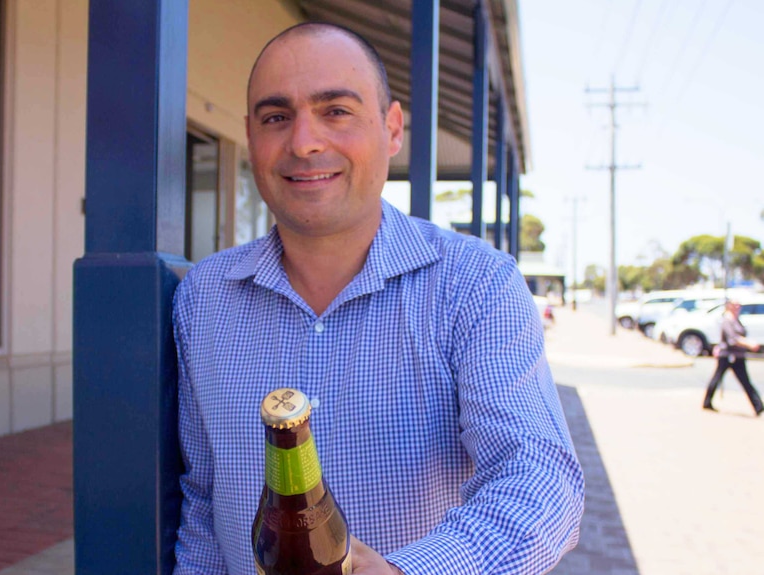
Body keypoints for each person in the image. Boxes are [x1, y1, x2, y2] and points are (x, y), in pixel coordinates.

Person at [172, 22, 584, 575]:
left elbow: (538, 474)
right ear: (251, 135)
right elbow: (203, 498)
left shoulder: (475, 285)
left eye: (336, 110)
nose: (303, 142)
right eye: (276, 118)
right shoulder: (203, 299)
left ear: (392, 130)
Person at [702, 300, 764, 416]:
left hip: (738, 355)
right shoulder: (727, 320)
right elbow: (732, 339)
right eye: (735, 305)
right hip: (728, 355)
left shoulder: (736, 319)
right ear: (730, 306)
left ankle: (758, 406)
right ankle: (707, 401)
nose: (738, 307)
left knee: (745, 381)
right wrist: (748, 344)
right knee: (717, 378)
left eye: (739, 305)